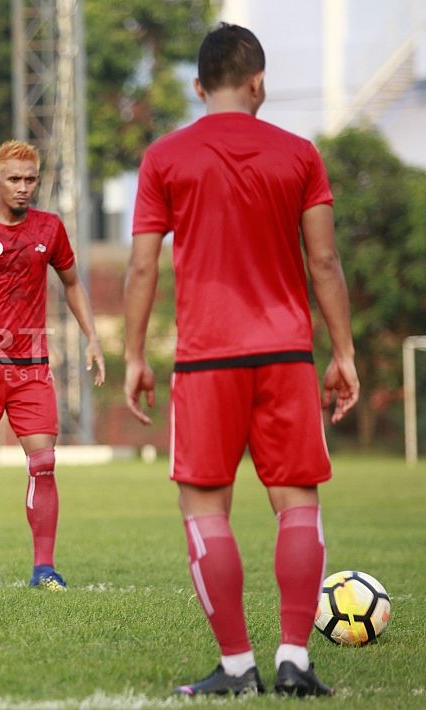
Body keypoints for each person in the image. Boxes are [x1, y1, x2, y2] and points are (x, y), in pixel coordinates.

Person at [124, 23, 358, 697]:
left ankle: (235, 669)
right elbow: (324, 261)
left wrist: (136, 354)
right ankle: (294, 660)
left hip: (206, 359)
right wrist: (341, 351)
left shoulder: (166, 157)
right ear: (259, 81)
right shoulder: (300, 154)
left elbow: (142, 267)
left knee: (204, 508)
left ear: (199, 87)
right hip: (287, 352)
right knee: (296, 505)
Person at [0, 140, 104, 591]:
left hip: (32, 368)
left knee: (44, 463)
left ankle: (44, 568)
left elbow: (73, 283)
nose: (23, 187)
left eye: (30, 179)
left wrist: (92, 337)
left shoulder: (50, 229)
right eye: (14, 179)